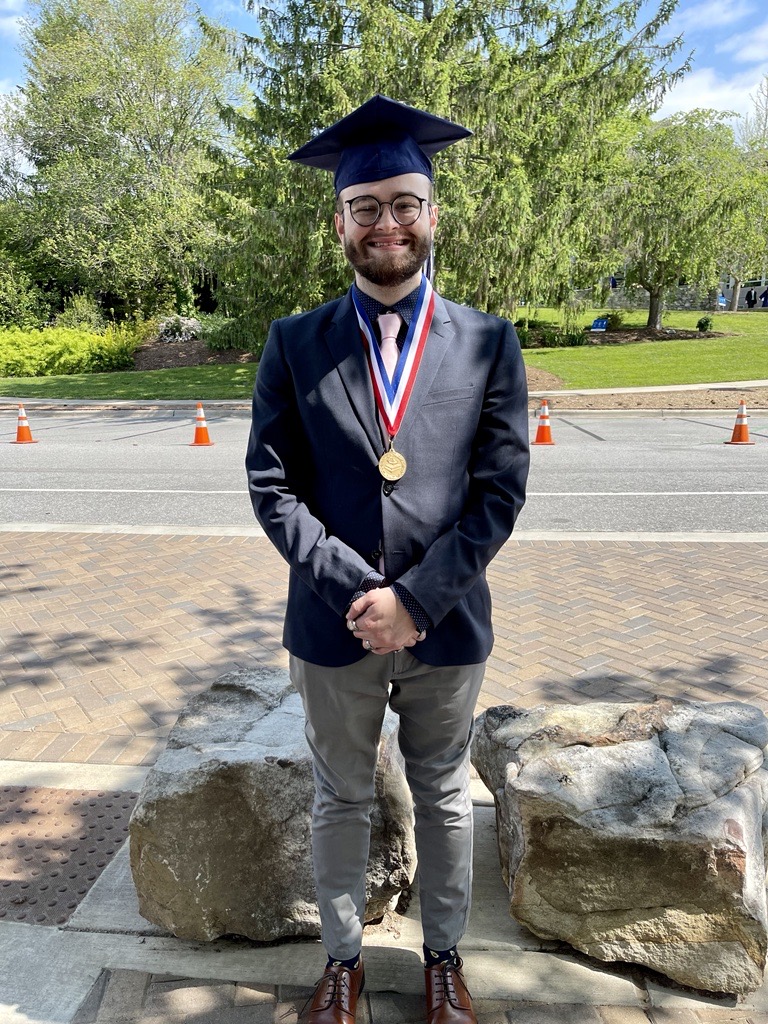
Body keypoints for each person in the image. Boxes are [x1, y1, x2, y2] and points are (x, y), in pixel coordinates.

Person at [245, 94, 529, 1024]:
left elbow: (499, 493)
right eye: (366, 208)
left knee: (446, 795)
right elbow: (272, 486)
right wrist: (360, 592)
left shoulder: (488, 342)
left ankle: (445, 960)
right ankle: (342, 962)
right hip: (332, 625)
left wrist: (417, 598)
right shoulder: (294, 344)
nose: (387, 223)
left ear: (432, 214)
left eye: (404, 203)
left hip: (446, 624)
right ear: (341, 224)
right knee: (339, 797)